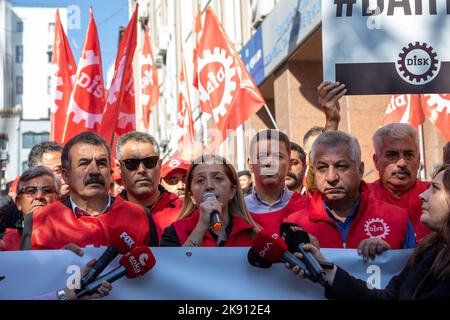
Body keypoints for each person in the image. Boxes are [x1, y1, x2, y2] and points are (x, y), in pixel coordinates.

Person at [289, 164, 450, 300]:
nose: (423, 195)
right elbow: (386, 297)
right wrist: (324, 267)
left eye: (435, 189)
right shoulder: (431, 249)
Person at [284, 131, 416, 261]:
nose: (331, 177)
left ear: (360, 170)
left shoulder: (397, 219)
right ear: (313, 172)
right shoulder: (294, 225)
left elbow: (413, 275)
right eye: (322, 167)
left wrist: (388, 259)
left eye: (341, 166)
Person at [21, 132, 158, 250]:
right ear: (65, 176)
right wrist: (58, 262)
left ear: (110, 173)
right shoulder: (37, 221)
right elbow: (30, 278)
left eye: (102, 163)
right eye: (84, 163)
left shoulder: (140, 216)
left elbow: (154, 275)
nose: (94, 171)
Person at [160, 155, 261, 247]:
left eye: (217, 178)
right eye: (200, 180)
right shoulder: (174, 233)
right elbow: (174, 265)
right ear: (192, 196)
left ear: (232, 191)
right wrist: (201, 228)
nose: (209, 186)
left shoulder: (254, 233)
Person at [370, 123, 431, 242]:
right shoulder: (361, 197)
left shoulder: (438, 195)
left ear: (418, 160)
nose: (402, 163)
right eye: (392, 155)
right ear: (376, 161)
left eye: (409, 155)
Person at [115, 132, 181, 239]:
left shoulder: (185, 211)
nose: (142, 170)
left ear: (159, 165)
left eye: (149, 162)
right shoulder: (107, 215)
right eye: (131, 163)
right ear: (120, 169)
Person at [246, 129, 310, 234]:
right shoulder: (237, 212)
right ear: (250, 164)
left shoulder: (308, 207)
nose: (269, 163)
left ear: (289, 165)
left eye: (278, 157)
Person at [0, 167, 59, 251]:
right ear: (18, 202)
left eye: (47, 190)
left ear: (57, 199)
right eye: (31, 191)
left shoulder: (73, 237)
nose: (39, 196)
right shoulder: (4, 242)